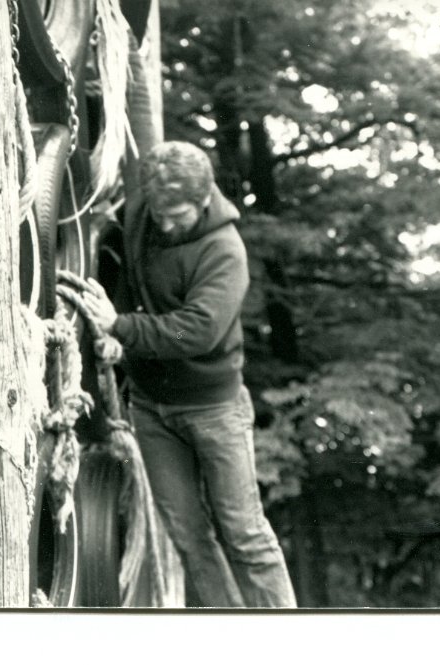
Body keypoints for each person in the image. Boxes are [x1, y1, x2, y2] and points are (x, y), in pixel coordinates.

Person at [80, 141, 297, 608]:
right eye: (159, 213)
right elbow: (127, 277)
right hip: (152, 408)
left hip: (213, 408)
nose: (165, 224)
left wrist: (120, 325)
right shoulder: (144, 214)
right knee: (188, 535)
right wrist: (120, 335)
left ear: (204, 201)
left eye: (177, 215)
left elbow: (196, 331)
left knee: (244, 533)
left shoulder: (224, 251)